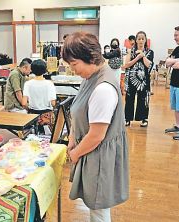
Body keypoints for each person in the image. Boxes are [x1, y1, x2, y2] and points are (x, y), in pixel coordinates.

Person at [62, 32, 129, 222]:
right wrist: (73, 137)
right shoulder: (90, 76)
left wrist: (74, 154)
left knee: (98, 206)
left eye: (74, 64)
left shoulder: (103, 88)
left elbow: (97, 135)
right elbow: (78, 110)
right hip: (91, 150)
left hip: (98, 152)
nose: (73, 70)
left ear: (90, 57)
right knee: (95, 203)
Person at [124, 31, 154, 127]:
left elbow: (149, 65)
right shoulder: (130, 51)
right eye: (139, 39)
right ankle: (127, 119)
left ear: (145, 40)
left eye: (142, 39)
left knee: (143, 99)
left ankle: (144, 118)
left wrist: (143, 55)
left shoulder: (150, 52)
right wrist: (138, 57)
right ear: (136, 40)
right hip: (131, 79)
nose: (141, 40)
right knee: (129, 99)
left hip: (144, 80)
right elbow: (127, 64)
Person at [22, 59, 56, 134]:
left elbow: (24, 103)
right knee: (52, 137)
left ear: (32, 70)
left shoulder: (28, 84)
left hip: (33, 116)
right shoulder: (49, 84)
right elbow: (53, 103)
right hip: (47, 116)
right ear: (45, 70)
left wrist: (31, 107)